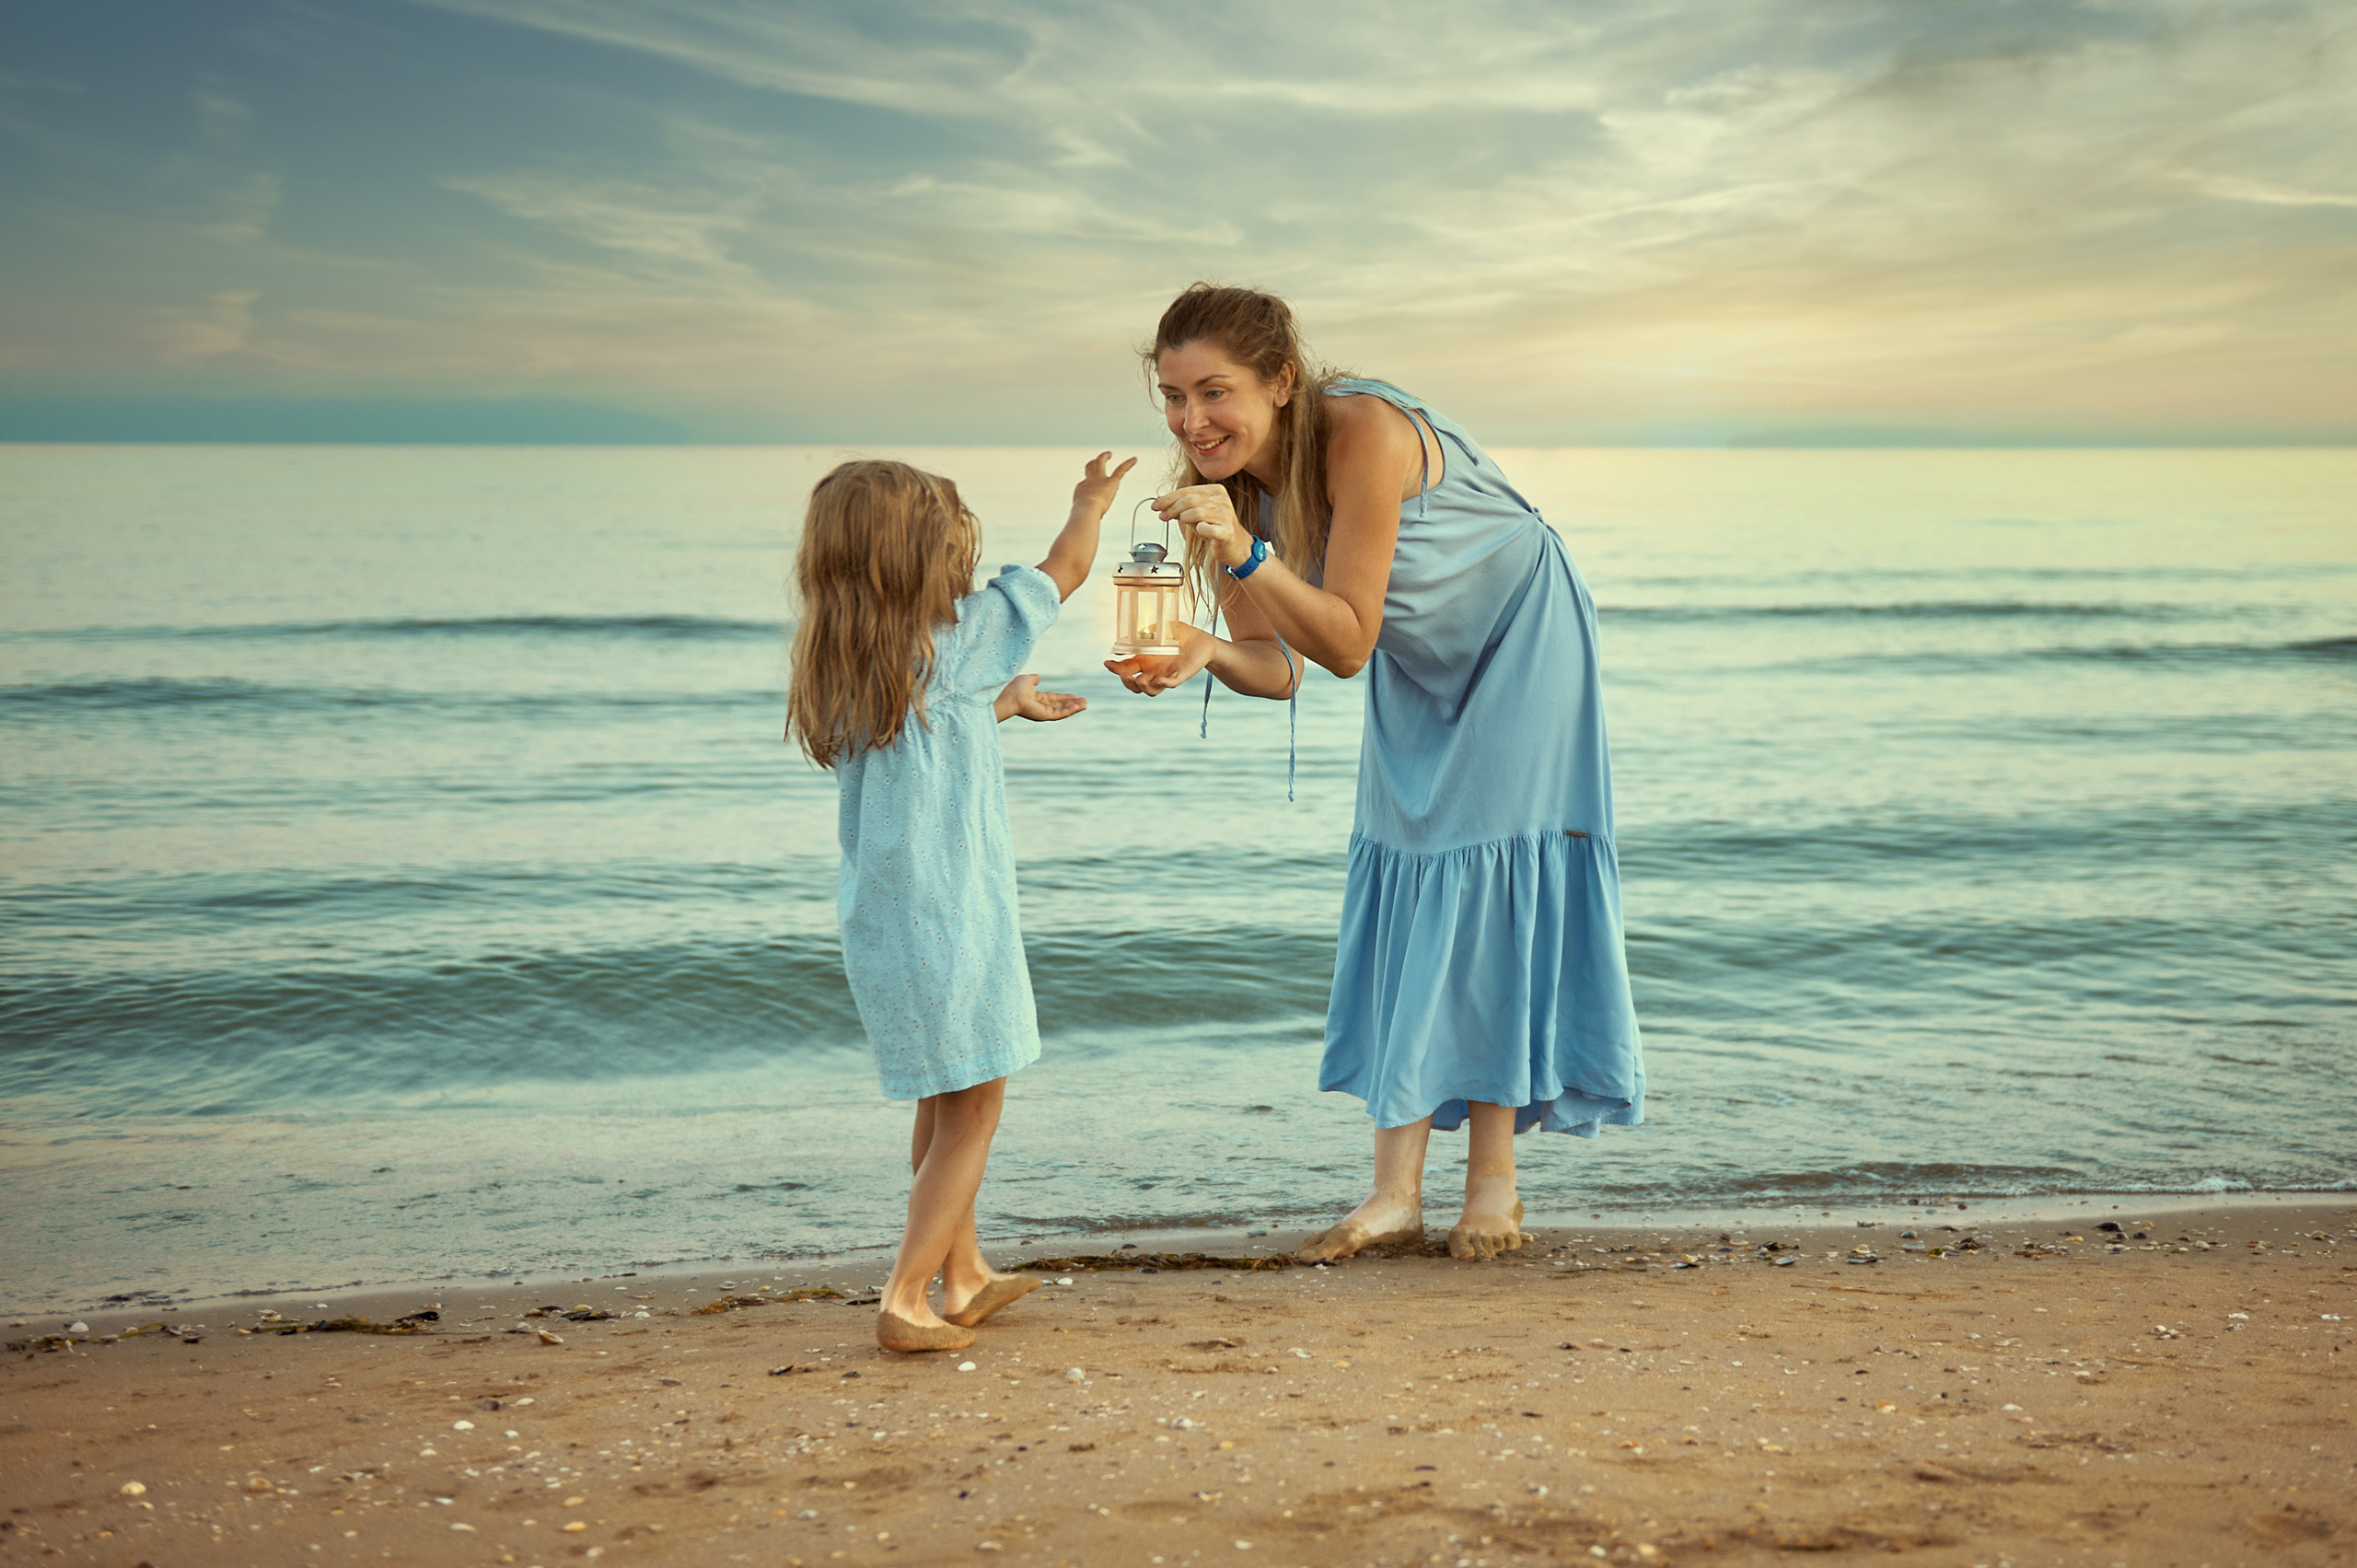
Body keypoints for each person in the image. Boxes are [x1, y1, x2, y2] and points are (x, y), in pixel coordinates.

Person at [1109, 284, 1643, 1262]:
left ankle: (1494, 1185)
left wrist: (1246, 548)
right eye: (1174, 396)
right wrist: (1201, 647)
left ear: (1279, 382)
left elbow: (1347, 642)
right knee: (1406, 868)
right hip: (1419, 655)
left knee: (1487, 880)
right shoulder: (1225, 493)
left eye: (1214, 392)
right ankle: (1392, 1193)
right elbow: (1279, 664)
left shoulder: (1363, 434)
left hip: (1523, 633)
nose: (1193, 421)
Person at [788, 452, 1134, 1351]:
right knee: (976, 1106)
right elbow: (1062, 572)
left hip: (887, 922)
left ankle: (963, 1273)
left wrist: (1002, 704)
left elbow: (927, 729)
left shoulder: (852, 660)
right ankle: (905, 1296)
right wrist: (1089, 502)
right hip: (951, 921)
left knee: (944, 1102)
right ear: (917, 558)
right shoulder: (961, 640)